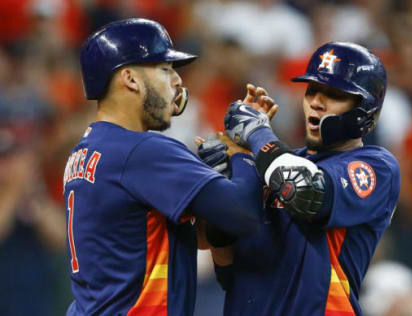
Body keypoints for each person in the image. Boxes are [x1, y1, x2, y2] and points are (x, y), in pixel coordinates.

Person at [63, 18, 266, 316]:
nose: (177, 81)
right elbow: (245, 215)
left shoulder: (85, 151)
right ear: (130, 79)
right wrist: (243, 151)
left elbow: (195, 238)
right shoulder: (142, 150)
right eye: (165, 69)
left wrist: (209, 180)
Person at [201, 42, 400, 315]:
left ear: (365, 110)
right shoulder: (271, 165)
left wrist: (258, 133)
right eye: (312, 90)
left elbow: (306, 192)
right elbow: (228, 268)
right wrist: (221, 180)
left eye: (334, 94)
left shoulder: (377, 166)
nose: (316, 102)